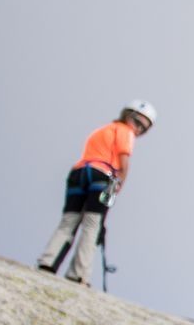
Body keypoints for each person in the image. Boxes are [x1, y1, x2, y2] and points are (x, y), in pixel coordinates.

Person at [37, 101, 156, 287]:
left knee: (69, 220)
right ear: (127, 115)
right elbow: (124, 165)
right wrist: (117, 189)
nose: (138, 128)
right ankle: (78, 274)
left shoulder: (103, 130)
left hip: (79, 173)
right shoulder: (125, 132)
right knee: (93, 224)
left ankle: (47, 262)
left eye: (143, 127)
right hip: (102, 176)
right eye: (137, 121)